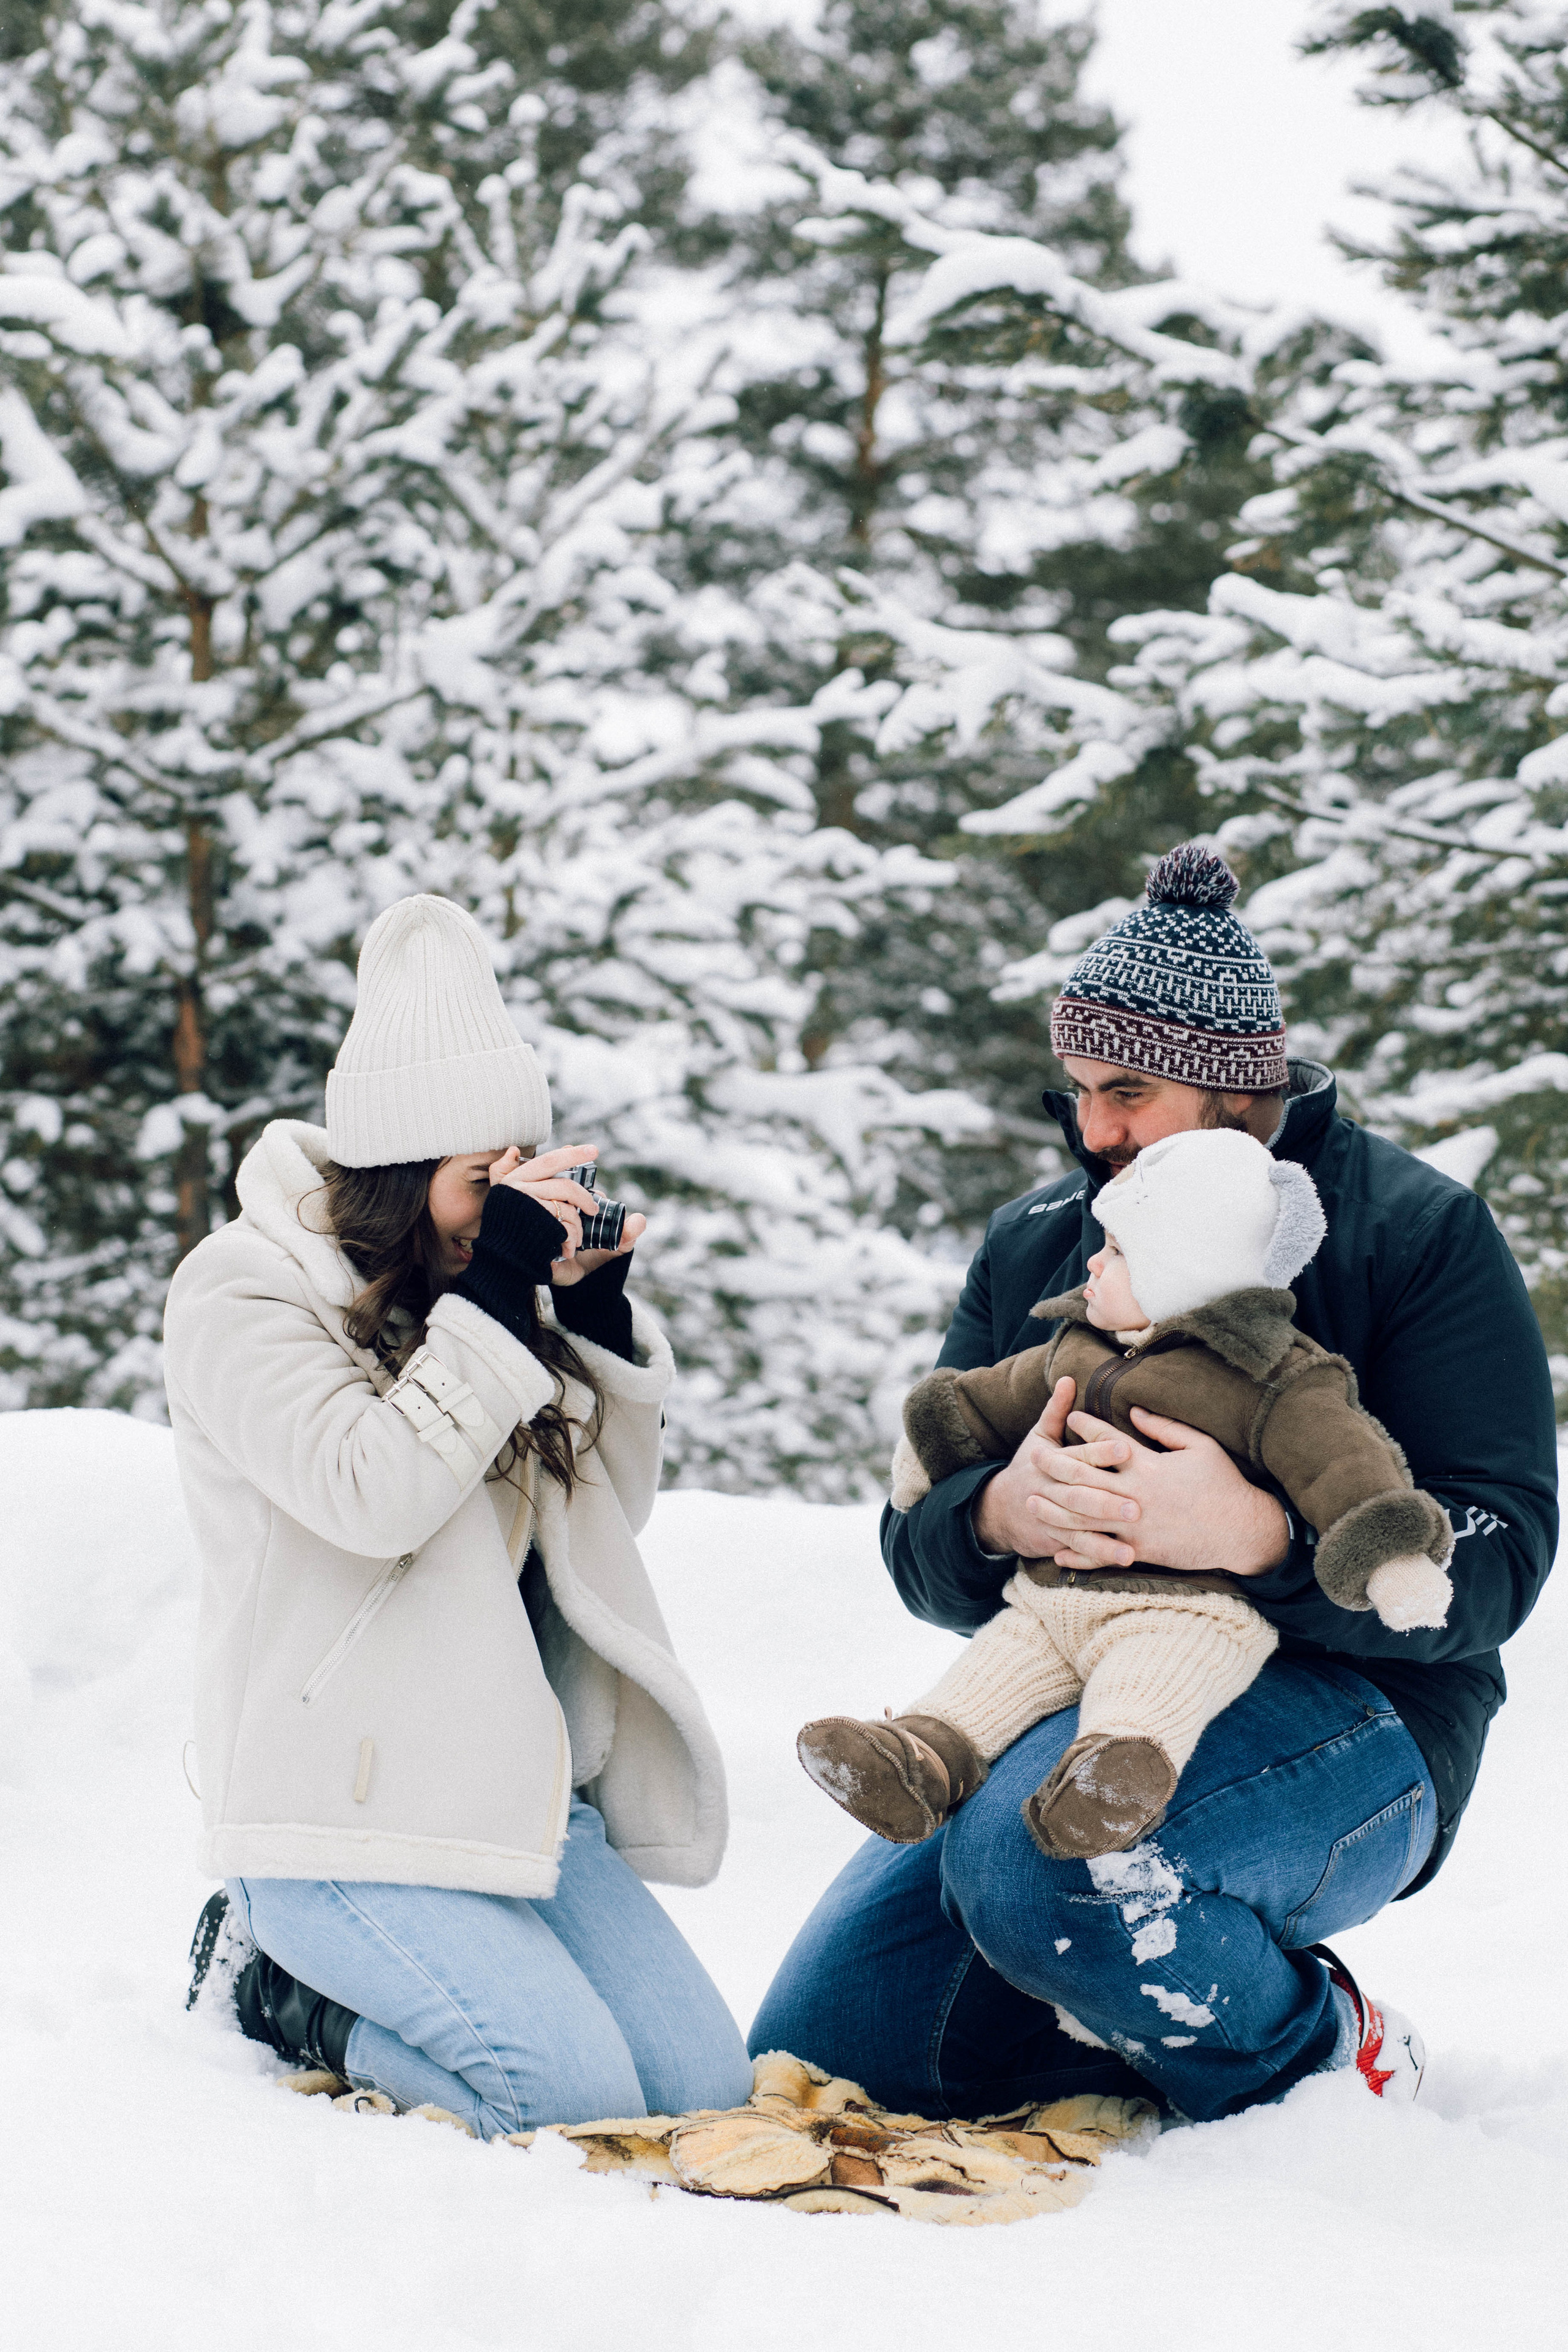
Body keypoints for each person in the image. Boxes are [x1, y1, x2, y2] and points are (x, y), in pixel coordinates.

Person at [752, 842, 1558, 2122]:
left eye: (1125, 1089)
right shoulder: (1044, 1242)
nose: (1092, 1131)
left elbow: (1498, 1552)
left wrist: (1261, 1539)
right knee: (832, 2050)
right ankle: (1132, 2023)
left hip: (1363, 1707)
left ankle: (1314, 2056)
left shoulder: (1414, 1233)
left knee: (1036, 1869)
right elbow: (916, 1540)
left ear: (1238, 1089)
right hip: (1078, 1664)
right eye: (1075, 1090)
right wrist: (995, 1513)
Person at [172, 894, 751, 2138]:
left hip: (517, 1796)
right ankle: (283, 1992)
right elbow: (370, 1496)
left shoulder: (470, 1297)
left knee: (703, 2096)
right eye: (476, 1182)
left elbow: (609, 1528)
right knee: (567, 2101)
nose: (498, 1215)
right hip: (339, 1815)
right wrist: (495, 1290)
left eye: (517, 1180)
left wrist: (586, 1316)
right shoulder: (241, 1290)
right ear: (392, 1169)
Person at [796, 1126, 1454, 1862]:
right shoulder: (1077, 1346)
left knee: (1146, 1695)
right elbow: (987, 1401)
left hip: (1185, 1612)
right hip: (1049, 1603)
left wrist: (1390, 1558)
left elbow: (1343, 1466)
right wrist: (942, 1458)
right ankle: (918, 1760)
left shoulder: (1274, 1377)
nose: (1093, 1262)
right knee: (982, 1684)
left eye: (1117, 1252)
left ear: (1180, 1268)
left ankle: (1111, 1780)